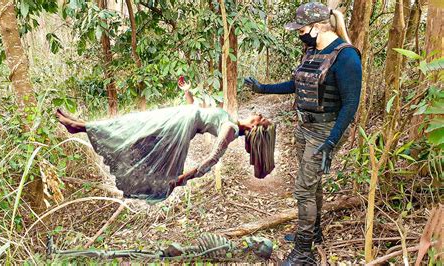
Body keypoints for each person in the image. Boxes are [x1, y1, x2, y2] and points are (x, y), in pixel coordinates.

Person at [244, 2, 362, 265]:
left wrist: (331, 142)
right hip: (305, 127)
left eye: (301, 29)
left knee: (303, 190)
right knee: (312, 184)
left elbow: (351, 105)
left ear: (316, 27)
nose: (299, 34)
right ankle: (314, 232)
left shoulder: (346, 57)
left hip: (326, 130)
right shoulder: (311, 51)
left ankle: (303, 252)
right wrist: (263, 89)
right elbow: (297, 84)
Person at [56, 79, 276, 202]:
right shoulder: (232, 122)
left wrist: (181, 179)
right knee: (133, 126)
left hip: (178, 127)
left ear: (255, 127)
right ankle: (81, 125)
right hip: (181, 117)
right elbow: (199, 112)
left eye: (261, 119)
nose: (258, 114)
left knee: (133, 128)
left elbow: (210, 161)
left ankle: (79, 127)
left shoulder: (230, 129)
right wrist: (188, 93)